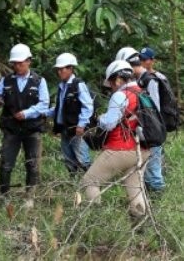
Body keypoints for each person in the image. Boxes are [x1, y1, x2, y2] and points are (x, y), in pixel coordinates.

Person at [82, 60, 150, 222]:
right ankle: (140, 226)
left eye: (111, 82)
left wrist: (100, 118)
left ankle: (93, 223)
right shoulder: (142, 92)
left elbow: (110, 123)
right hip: (143, 149)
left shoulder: (121, 94)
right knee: (135, 189)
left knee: (89, 181)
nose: (111, 86)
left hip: (121, 149)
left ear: (119, 79)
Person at [0, 43, 49, 207]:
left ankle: (30, 197)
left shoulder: (39, 81)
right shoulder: (6, 81)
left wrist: (27, 113)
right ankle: (4, 196)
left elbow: (44, 104)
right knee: (6, 163)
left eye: (21, 63)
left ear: (29, 61)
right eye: (15, 64)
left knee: (32, 163)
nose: (18, 67)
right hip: (11, 128)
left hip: (32, 128)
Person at [115, 47, 164, 192]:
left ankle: (158, 200)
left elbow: (154, 111)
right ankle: (149, 199)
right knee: (145, 167)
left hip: (152, 129)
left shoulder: (150, 81)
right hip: (143, 129)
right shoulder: (139, 80)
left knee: (153, 170)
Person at [47, 53, 93, 175]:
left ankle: (90, 182)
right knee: (68, 159)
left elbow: (88, 106)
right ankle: (73, 183)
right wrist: (44, 112)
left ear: (70, 68)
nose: (59, 72)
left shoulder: (78, 85)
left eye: (62, 69)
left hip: (75, 128)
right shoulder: (62, 87)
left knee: (82, 157)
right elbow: (60, 108)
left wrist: (81, 124)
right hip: (64, 128)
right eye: (58, 70)